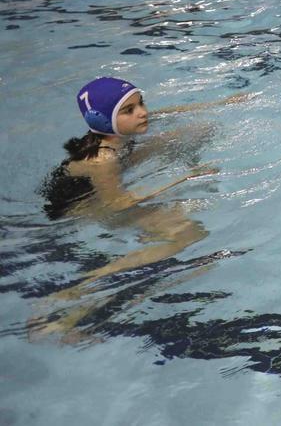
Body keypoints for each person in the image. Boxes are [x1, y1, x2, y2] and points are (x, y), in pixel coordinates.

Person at [36, 78, 250, 301]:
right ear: (103, 120)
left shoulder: (116, 132)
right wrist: (184, 179)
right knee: (188, 232)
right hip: (81, 206)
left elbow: (170, 113)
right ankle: (83, 287)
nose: (142, 112)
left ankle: (149, 233)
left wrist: (222, 103)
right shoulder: (103, 159)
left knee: (197, 131)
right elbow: (118, 203)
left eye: (141, 103)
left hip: (106, 181)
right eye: (129, 110)